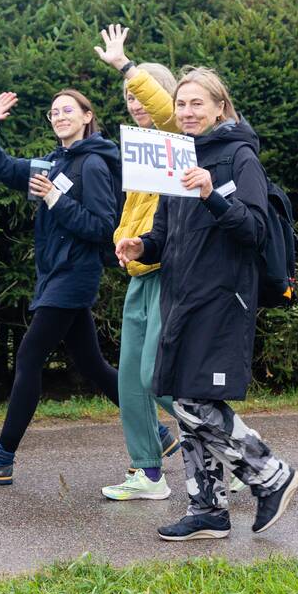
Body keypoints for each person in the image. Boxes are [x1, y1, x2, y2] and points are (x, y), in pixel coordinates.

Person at [116, 67, 298, 540]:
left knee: (197, 402)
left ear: (221, 107)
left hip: (223, 298)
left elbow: (255, 229)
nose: (188, 112)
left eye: (197, 104)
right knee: (184, 399)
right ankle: (208, 510)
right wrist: (142, 247)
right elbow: (165, 235)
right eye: (181, 104)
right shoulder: (176, 156)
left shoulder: (240, 158)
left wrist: (211, 195)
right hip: (180, 295)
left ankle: (270, 474)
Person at [0, 88, 158, 484]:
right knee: (92, 365)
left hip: (74, 276)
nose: (59, 116)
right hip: (55, 275)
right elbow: (6, 169)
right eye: (53, 112)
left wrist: (55, 200)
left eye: (67, 110)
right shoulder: (54, 161)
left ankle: (2, 458)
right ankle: (158, 434)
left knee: (29, 358)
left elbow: (103, 227)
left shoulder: (94, 164)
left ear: (86, 116)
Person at [92, 24, 183, 500]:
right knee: (130, 379)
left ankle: (233, 447)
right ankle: (149, 474)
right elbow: (136, 207)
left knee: (158, 375)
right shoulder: (142, 143)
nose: (134, 103)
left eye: (140, 94)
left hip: (171, 274)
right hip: (140, 274)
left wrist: (126, 66)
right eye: (128, 97)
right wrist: (123, 240)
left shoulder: (175, 132)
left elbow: (165, 109)